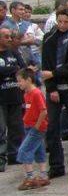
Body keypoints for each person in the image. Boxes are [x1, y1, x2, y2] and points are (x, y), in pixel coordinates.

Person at [40, 7, 68, 179]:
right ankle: (56, 165)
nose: (62, 25)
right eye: (60, 21)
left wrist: (54, 73)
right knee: (52, 128)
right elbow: (46, 66)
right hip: (55, 89)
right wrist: (51, 87)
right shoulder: (49, 38)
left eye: (66, 22)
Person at [14, 69, 47, 190]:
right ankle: (43, 175)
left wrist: (37, 126)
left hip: (36, 128)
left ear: (28, 80)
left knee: (24, 150)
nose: (19, 84)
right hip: (28, 126)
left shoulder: (36, 93)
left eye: (20, 81)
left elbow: (43, 111)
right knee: (39, 150)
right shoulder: (26, 94)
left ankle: (30, 177)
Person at [0, 26, 25, 174]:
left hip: (15, 96)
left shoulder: (14, 53)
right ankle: (1, 159)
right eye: (6, 37)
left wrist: (13, 70)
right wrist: (12, 69)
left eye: (10, 36)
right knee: (1, 130)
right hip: (1, 98)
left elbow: (23, 69)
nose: (10, 39)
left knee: (16, 128)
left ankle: (14, 155)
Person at [6, 2, 42, 71]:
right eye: (21, 9)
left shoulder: (27, 24)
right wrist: (24, 40)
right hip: (14, 58)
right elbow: (7, 43)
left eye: (23, 10)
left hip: (29, 57)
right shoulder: (6, 25)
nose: (23, 12)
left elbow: (32, 39)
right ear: (13, 10)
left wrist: (18, 41)